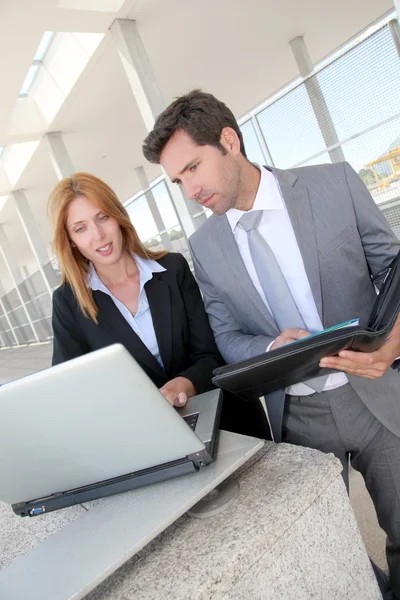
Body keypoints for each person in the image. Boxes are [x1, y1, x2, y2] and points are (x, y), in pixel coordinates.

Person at [142, 90, 400, 599]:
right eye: (178, 180)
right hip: (296, 418)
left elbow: (395, 267)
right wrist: (269, 349)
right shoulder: (205, 247)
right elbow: (226, 337)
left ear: (229, 140)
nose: (189, 189)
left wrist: (391, 347)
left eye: (194, 168)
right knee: (325, 547)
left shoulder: (335, 184)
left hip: (376, 397)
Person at [48, 172, 269, 436]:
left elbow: (210, 353)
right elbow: (71, 390)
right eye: (80, 228)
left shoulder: (172, 269)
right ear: (70, 240)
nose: (98, 236)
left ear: (117, 217)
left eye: (102, 217)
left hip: (228, 421)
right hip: (151, 438)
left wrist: (184, 384)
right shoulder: (68, 302)